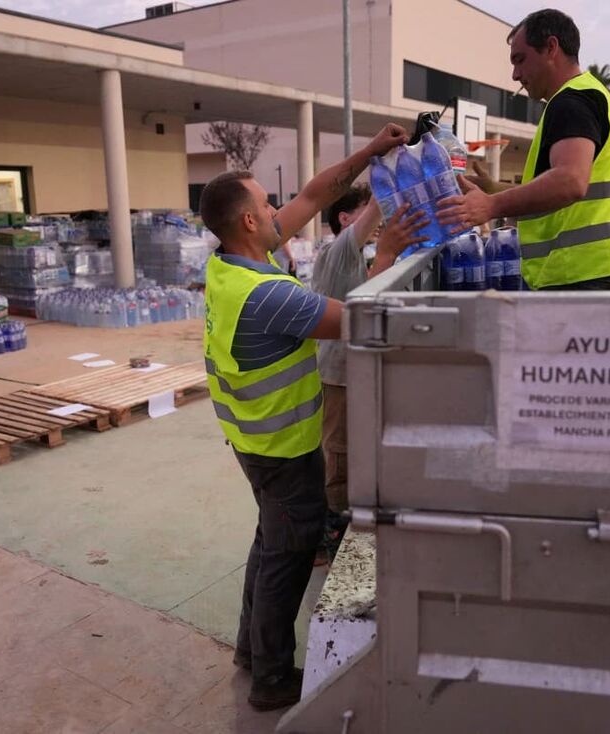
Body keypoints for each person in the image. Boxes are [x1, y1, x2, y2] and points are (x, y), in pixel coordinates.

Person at [199, 122, 424, 711]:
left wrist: (372, 152)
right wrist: (390, 256)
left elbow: (315, 196)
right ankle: (271, 678)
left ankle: (252, 652)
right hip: (282, 446)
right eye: (267, 204)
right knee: (288, 558)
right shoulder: (269, 294)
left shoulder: (230, 265)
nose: (280, 208)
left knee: (269, 543)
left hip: (251, 439)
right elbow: (355, 319)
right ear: (249, 221)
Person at [438, 8, 610, 290]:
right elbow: (579, 186)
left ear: (551, 47)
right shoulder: (593, 95)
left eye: (520, 60)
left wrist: (492, 205)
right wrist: (495, 188)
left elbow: (570, 182)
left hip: (588, 271)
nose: (515, 75)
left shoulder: (570, 102)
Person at [309, 184, 421, 565]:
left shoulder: (357, 257)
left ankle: (341, 529)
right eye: (366, 215)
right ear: (344, 218)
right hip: (338, 377)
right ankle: (326, 542)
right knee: (337, 459)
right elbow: (364, 302)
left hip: (356, 373)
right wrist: (387, 176)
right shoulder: (334, 252)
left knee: (355, 455)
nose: (376, 224)